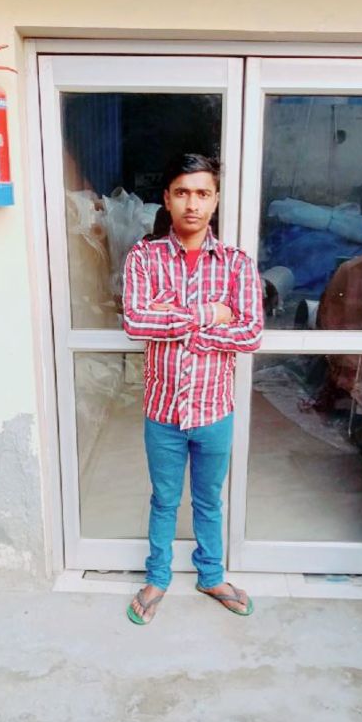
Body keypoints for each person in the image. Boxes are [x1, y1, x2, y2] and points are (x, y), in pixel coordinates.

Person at [122, 153, 263, 625]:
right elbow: (136, 322)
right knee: (164, 499)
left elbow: (251, 333)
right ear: (167, 199)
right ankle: (157, 577)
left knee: (208, 500)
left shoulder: (237, 265)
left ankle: (211, 575)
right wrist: (209, 314)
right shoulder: (144, 257)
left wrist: (177, 321)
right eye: (182, 192)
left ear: (215, 200)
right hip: (163, 411)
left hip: (213, 410)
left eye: (203, 193)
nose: (192, 204)